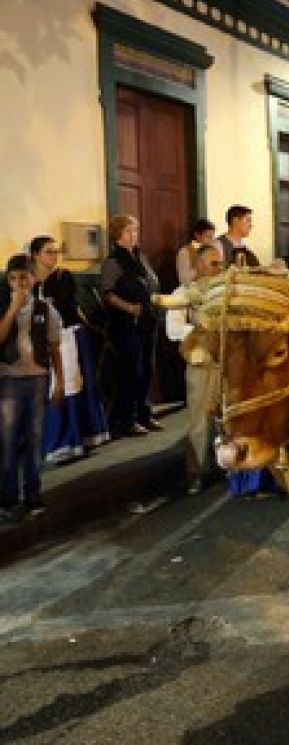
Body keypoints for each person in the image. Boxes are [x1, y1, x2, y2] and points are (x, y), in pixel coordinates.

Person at [30, 234, 109, 463]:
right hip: (41, 342)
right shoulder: (31, 280)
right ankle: (56, 440)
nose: (54, 256)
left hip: (67, 336)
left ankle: (75, 438)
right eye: (49, 251)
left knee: (71, 386)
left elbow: (64, 306)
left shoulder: (63, 276)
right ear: (36, 255)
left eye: (56, 251)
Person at [0, 254, 63, 518]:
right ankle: (8, 498)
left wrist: (59, 381)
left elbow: (54, 348)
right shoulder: (3, 307)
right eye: (12, 279)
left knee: (35, 439)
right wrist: (13, 308)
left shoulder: (45, 309)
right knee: (8, 440)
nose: (18, 283)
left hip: (37, 378)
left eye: (23, 278)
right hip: (9, 380)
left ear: (33, 279)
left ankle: (33, 494)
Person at [165, 243, 224, 494]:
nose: (218, 268)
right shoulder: (182, 292)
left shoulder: (225, 290)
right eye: (213, 263)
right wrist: (202, 330)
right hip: (200, 363)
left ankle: (227, 468)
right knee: (199, 421)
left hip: (225, 363)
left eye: (220, 263)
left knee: (225, 418)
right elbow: (172, 330)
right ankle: (197, 472)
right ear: (198, 265)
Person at [100, 215, 162, 438]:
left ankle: (144, 414)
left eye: (136, 230)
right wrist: (129, 307)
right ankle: (127, 419)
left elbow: (151, 282)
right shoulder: (113, 261)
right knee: (130, 372)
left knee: (147, 370)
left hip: (147, 321)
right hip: (126, 325)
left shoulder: (140, 257)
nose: (134, 235)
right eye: (129, 231)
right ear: (118, 234)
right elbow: (107, 294)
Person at [176, 218, 216, 286]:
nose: (211, 240)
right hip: (191, 290)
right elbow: (183, 279)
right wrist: (200, 268)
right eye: (208, 236)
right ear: (197, 235)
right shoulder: (184, 252)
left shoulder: (213, 250)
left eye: (212, 237)